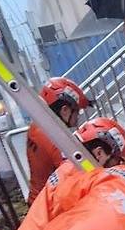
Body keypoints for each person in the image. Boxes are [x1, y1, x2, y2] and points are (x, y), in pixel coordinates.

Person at [26, 77, 94, 206]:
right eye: (77, 111)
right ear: (65, 110)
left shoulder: (36, 126)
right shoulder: (57, 139)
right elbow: (74, 175)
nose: (78, 117)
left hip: (38, 200)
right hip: (49, 207)